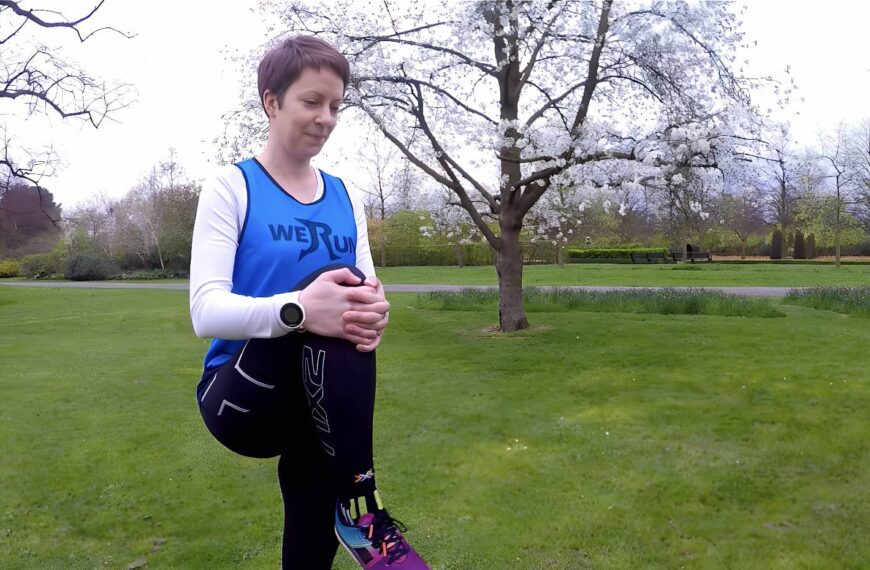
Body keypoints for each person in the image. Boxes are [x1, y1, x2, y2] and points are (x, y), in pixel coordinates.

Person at [189, 35, 429, 569]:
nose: (326, 118)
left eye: (336, 106)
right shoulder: (232, 186)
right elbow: (205, 311)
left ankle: (348, 514)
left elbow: (365, 290)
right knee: (327, 281)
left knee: (310, 533)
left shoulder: (347, 196)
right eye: (312, 101)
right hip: (242, 399)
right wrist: (299, 309)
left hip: (319, 403)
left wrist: (374, 313)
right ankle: (363, 505)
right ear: (272, 102)